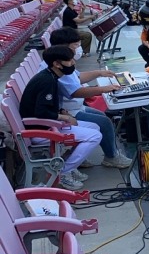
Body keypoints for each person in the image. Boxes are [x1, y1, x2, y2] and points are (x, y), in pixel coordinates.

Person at [42, 28, 132, 169]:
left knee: (102, 117)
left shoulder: (61, 60)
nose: (78, 49)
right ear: (64, 46)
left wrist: (99, 73)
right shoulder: (58, 65)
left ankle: (80, 155)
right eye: (76, 46)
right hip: (67, 111)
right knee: (104, 122)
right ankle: (111, 157)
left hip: (73, 107)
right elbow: (76, 92)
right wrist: (103, 89)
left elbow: (77, 77)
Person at [19, 46, 102, 190]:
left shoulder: (50, 75)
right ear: (57, 64)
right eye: (68, 61)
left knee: (94, 127)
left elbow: (46, 105)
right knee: (95, 136)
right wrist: (63, 117)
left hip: (48, 124)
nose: (72, 63)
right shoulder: (47, 81)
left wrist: (62, 111)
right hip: (41, 130)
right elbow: (41, 112)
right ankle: (63, 172)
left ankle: (70, 165)